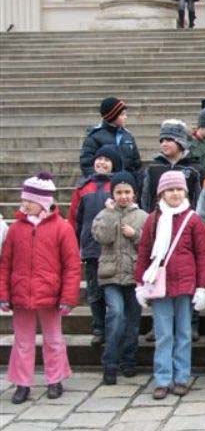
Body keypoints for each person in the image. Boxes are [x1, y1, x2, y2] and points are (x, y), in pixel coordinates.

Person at [0, 173, 81, 405]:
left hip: (51, 294)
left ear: (43, 202)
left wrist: (67, 296)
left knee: (53, 338)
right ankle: (22, 383)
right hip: (21, 294)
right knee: (22, 341)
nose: (24, 204)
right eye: (23, 200)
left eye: (30, 200)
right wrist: (4, 294)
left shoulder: (62, 228)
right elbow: (5, 263)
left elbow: (72, 265)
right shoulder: (16, 229)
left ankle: (55, 379)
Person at [134, 171, 205, 400]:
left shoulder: (193, 219)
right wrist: (139, 283)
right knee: (164, 334)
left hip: (185, 284)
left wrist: (202, 287)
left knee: (184, 333)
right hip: (160, 285)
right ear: (161, 194)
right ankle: (163, 378)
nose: (175, 193)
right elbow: (145, 251)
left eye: (179, 189)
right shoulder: (153, 219)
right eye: (170, 190)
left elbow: (202, 254)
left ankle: (181, 377)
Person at [91, 171, 148, 385]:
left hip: (134, 276)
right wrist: (109, 215)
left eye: (127, 192)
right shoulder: (105, 213)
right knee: (116, 316)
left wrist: (134, 234)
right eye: (119, 192)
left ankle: (129, 360)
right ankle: (110, 363)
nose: (123, 196)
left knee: (132, 322)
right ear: (112, 193)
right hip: (111, 275)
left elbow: (147, 245)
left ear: (134, 193)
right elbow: (101, 237)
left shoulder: (142, 216)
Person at [68, 145, 122, 347]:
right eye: (99, 159)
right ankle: (98, 327)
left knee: (113, 291)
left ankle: (114, 327)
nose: (102, 163)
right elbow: (74, 219)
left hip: (113, 249)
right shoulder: (83, 188)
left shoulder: (117, 187)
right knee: (94, 291)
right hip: (91, 249)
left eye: (107, 160)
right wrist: (74, 244)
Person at [140, 120, 203, 213]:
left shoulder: (194, 169)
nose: (164, 144)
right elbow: (146, 198)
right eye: (162, 140)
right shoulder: (153, 168)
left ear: (180, 142)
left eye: (169, 140)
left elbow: (198, 199)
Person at [79, 97, 142, 182]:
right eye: (122, 114)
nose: (126, 117)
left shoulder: (128, 136)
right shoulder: (95, 137)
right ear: (113, 116)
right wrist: (99, 181)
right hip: (103, 184)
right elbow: (87, 164)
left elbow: (136, 164)